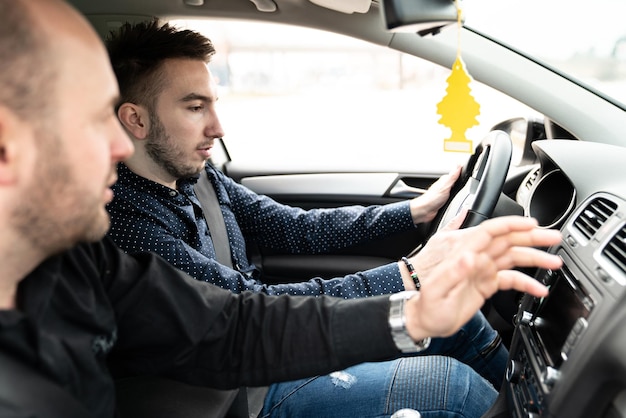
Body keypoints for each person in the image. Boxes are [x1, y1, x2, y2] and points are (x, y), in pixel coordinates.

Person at [0, 1, 563, 417]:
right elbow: (241, 311)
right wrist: (410, 276)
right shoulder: (122, 228)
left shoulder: (88, 262)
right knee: (451, 390)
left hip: (242, 363)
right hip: (227, 397)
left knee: (455, 327)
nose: (117, 152)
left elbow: (235, 317)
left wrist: (413, 262)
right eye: (89, 121)